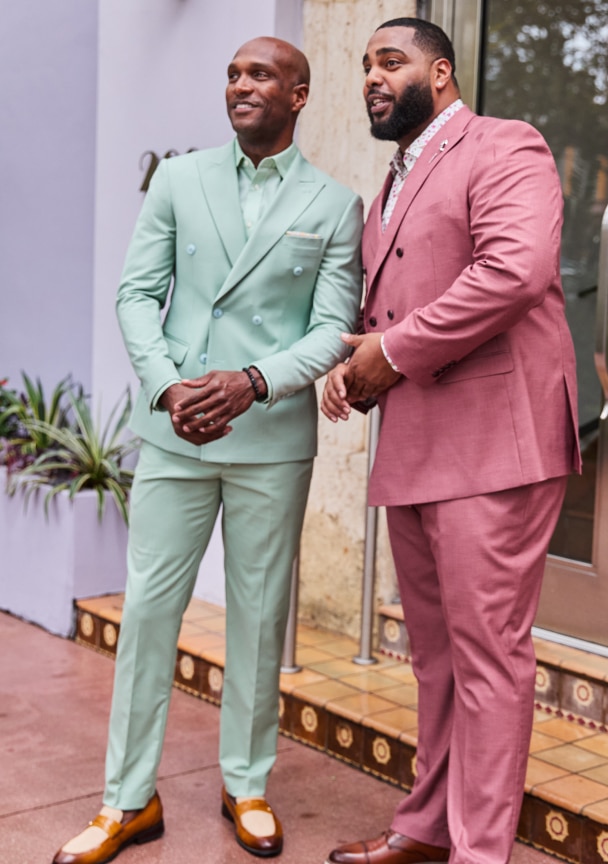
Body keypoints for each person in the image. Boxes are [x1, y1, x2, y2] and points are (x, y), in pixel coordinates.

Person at [53, 36, 363, 864]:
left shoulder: (335, 204)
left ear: (299, 94)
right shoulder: (180, 179)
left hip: (268, 438)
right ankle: (127, 800)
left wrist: (254, 381)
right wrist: (167, 388)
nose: (240, 86)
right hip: (176, 430)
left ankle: (247, 783)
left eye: (260, 74)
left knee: (259, 620)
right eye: (232, 74)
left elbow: (335, 328)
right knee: (149, 614)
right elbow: (136, 293)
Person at [321, 17, 579, 864]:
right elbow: (395, 308)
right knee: (436, 657)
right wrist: (352, 361)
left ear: (441, 71)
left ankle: (479, 853)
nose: (371, 77)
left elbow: (513, 271)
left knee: (488, 657)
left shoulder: (505, 145)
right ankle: (429, 827)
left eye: (389, 62)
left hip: (494, 444)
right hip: (419, 445)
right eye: (364, 65)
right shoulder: (395, 176)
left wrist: (389, 354)